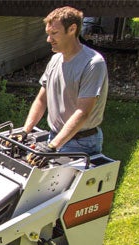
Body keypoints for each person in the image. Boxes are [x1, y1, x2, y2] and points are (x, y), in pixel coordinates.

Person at [23, 6, 108, 165]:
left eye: (54, 34)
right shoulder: (55, 60)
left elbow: (83, 112)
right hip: (54, 137)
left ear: (72, 29)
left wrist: (52, 147)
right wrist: (25, 130)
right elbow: (41, 100)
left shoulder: (92, 63)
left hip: (81, 141)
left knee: (65, 188)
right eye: (48, 34)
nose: (49, 39)